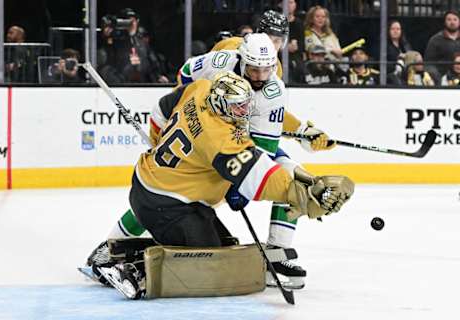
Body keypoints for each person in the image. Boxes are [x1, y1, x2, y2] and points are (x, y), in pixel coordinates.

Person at [87, 33, 337, 290]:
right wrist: (298, 192)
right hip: (171, 199)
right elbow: (258, 173)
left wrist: (304, 130)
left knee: (221, 244)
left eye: (267, 69)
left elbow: (164, 107)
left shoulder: (201, 88)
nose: (246, 111)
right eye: (239, 107)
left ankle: (113, 246)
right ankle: (128, 265)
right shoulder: (219, 135)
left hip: (157, 183)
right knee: (212, 264)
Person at [211, 10, 289, 78]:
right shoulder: (233, 46)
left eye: (276, 41)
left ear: (282, 43)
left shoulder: (277, 67)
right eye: (267, 39)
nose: (271, 45)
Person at [424, 10, 460, 77]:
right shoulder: (435, 40)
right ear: (444, 22)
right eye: (449, 19)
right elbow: (428, 63)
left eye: (455, 19)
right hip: (442, 80)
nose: (452, 22)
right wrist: (437, 76)